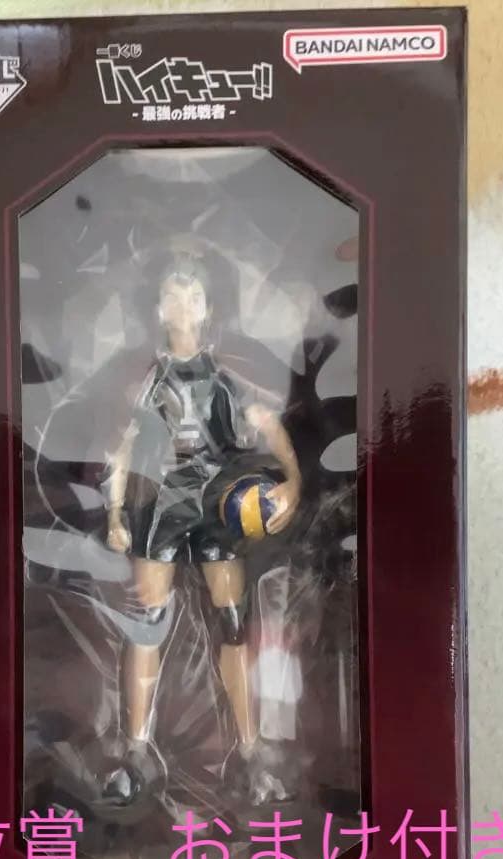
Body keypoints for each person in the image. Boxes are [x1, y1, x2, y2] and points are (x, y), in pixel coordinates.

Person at [103, 252, 302, 807]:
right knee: (146, 625)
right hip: (162, 505)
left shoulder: (226, 379)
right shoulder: (147, 380)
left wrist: (292, 481)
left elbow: (269, 425)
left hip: (219, 507)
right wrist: (114, 512)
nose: (184, 306)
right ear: (159, 307)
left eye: (193, 297)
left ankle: (249, 750)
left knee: (233, 623)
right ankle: (136, 750)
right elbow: (121, 449)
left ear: (208, 306)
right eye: (174, 296)